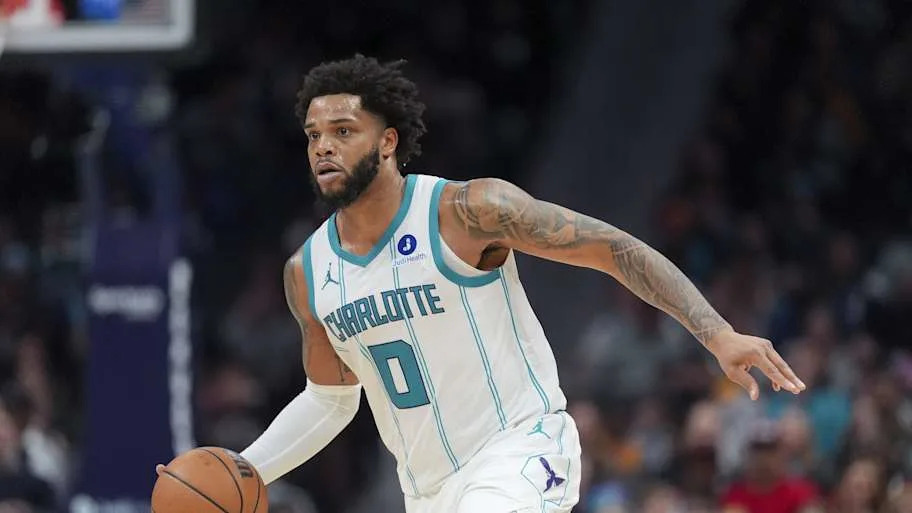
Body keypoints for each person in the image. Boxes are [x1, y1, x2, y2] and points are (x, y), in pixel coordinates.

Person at [161, 55, 805, 513]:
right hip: (429, 491)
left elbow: (613, 249)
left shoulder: (469, 212)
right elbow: (331, 399)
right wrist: (245, 470)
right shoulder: (307, 272)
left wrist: (717, 334)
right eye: (313, 136)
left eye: (342, 132)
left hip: (520, 451)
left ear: (387, 142)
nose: (323, 147)